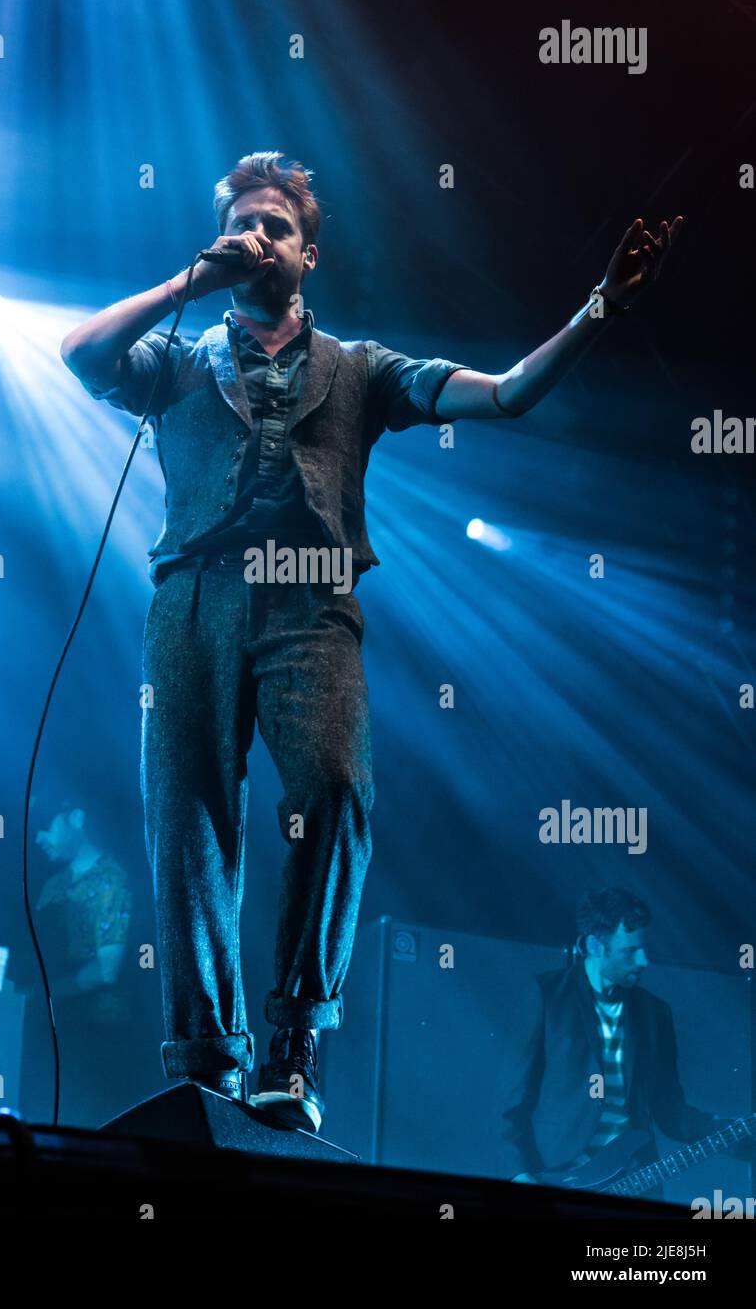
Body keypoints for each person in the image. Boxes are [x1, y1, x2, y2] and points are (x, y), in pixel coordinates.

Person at [60, 150, 681, 1133]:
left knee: (335, 787)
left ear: (308, 254)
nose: (258, 237)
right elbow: (80, 353)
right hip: (194, 597)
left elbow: (508, 391)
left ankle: (295, 1040)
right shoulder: (183, 359)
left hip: (311, 605)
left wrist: (599, 307)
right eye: (243, 222)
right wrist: (191, 279)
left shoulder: (363, 369)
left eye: (276, 226)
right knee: (187, 824)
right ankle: (208, 1058)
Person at [500, 888, 746, 1193]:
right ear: (595, 945)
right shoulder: (547, 996)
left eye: (643, 948)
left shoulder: (655, 1014)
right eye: (630, 951)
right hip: (557, 1177)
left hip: (636, 1181)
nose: (644, 960)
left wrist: (735, 1132)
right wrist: (520, 1173)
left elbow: (670, 1111)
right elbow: (509, 1107)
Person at [16, 800, 140, 1127]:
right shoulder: (53, 885)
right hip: (47, 1032)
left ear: (76, 817)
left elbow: (107, 969)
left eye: (47, 825)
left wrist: (45, 995)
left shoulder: (112, 880)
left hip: (95, 1039)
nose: (40, 837)